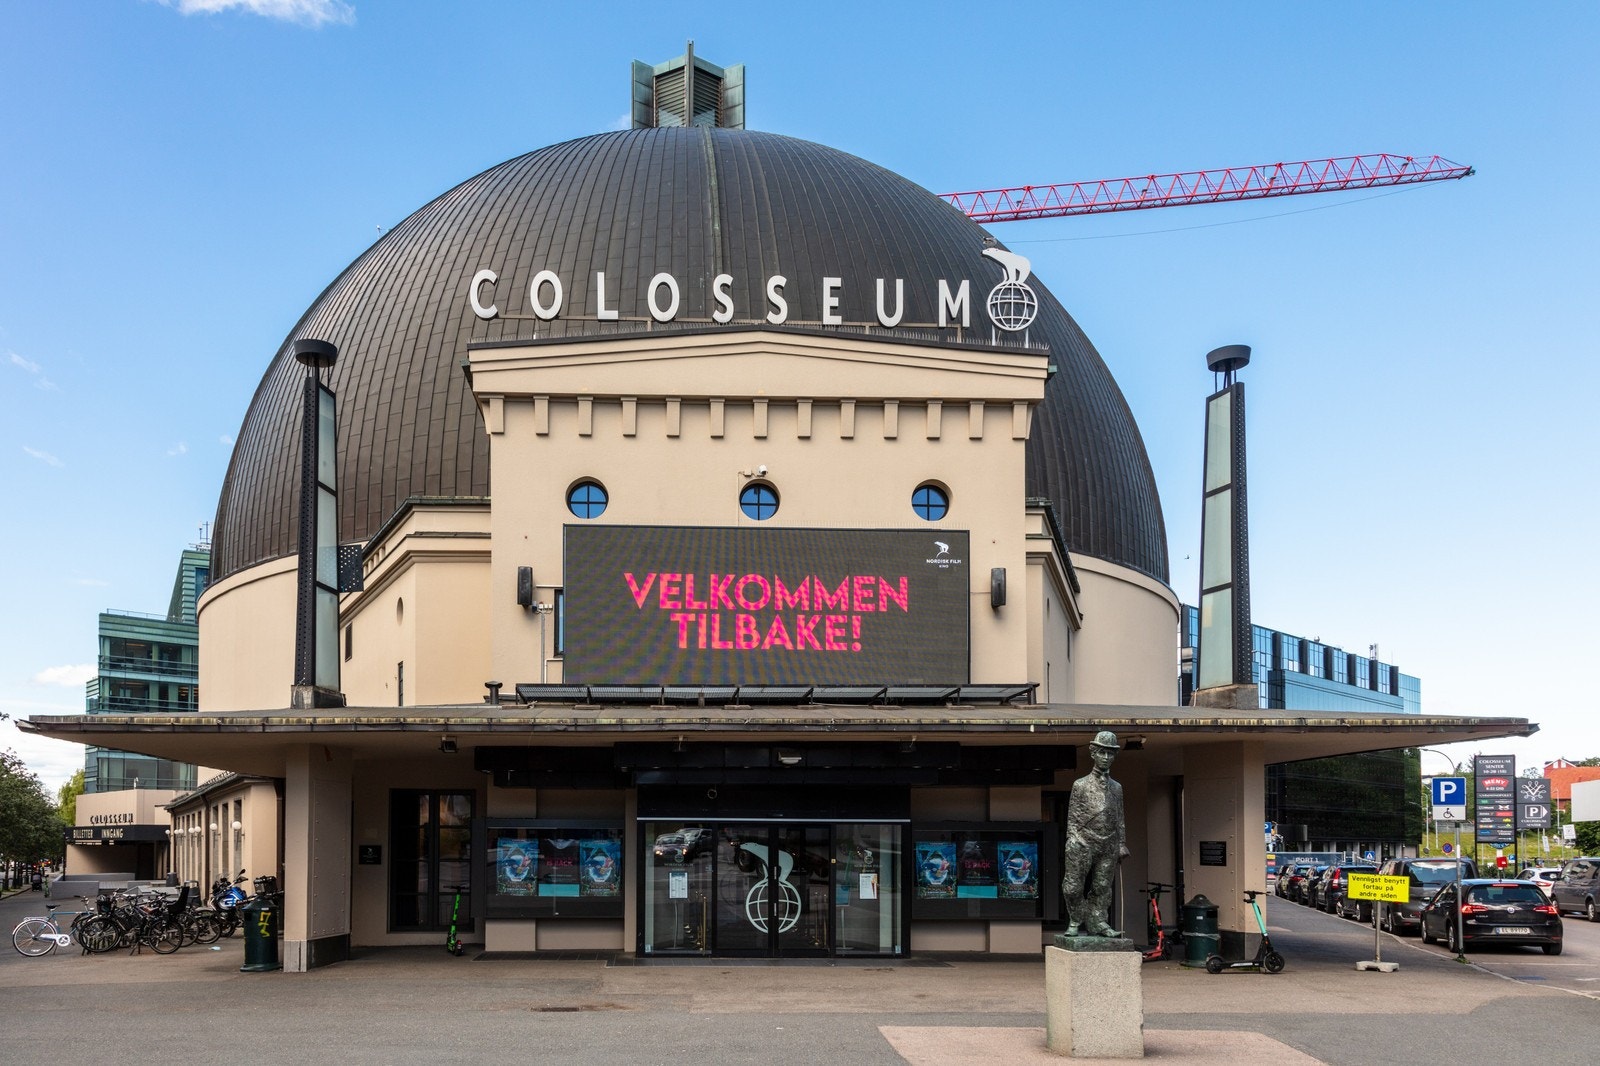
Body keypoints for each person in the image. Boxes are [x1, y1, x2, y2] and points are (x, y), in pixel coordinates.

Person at [1062, 730, 1128, 937]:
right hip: (1083, 842)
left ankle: (1098, 922)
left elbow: (1120, 817)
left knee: (1102, 887)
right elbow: (1072, 817)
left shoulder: (1117, 787)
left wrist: (1121, 843)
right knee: (1072, 887)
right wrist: (1073, 839)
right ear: (1093, 753)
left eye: (1110, 754)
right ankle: (1075, 918)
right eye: (1102, 753)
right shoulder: (1080, 785)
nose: (1106, 758)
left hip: (1108, 843)